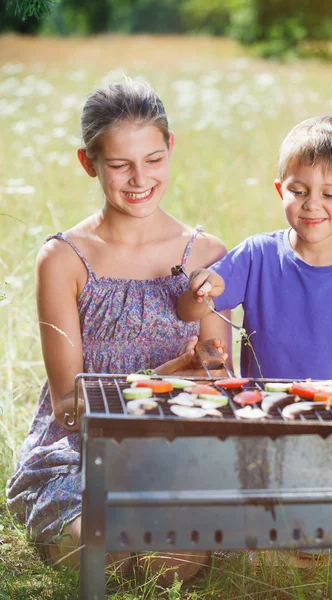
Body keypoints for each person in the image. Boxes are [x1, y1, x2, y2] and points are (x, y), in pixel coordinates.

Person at [6, 78, 231, 582]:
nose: (139, 178)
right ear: (89, 163)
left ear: (170, 148)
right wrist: (160, 379)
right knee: (99, 552)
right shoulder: (63, 258)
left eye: (153, 159)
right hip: (81, 450)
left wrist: (205, 371)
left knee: (169, 563)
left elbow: (220, 381)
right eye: (119, 164)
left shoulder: (208, 254)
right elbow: (68, 407)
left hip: (174, 447)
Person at [177, 115, 332, 393]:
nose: (312, 205)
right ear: (280, 190)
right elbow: (185, 312)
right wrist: (201, 288)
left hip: (329, 420)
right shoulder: (256, 255)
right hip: (260, 416)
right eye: (298, 191)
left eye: (329, 194)